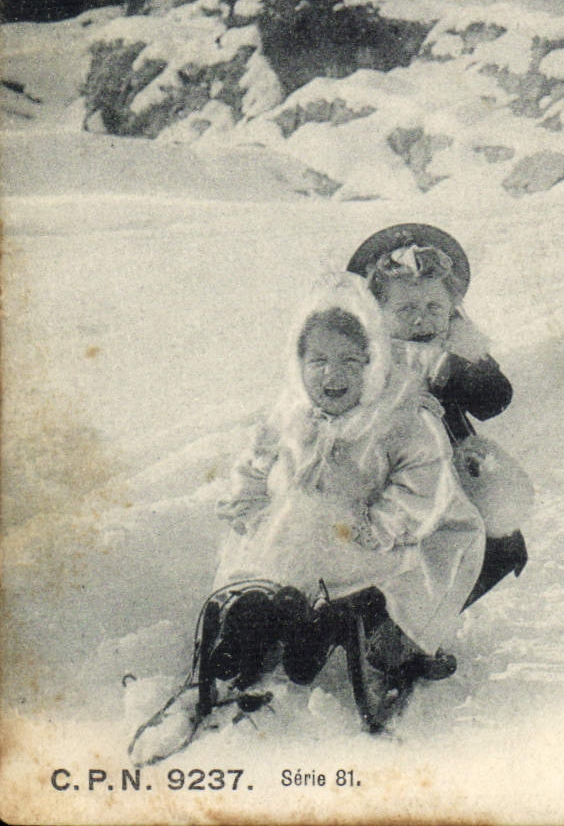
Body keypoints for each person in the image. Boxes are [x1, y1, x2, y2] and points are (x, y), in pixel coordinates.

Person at [129, 275, 489, 764]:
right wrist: (250, 506)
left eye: (348, 361)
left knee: (307, 522)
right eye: (317, 362)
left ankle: (298, 628)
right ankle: (243, 639)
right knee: (280, 528)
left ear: (374, 362)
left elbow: (421, 483)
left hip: (369, 546)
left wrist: (383, 522)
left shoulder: (401, 418)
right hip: (285, 545)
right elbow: (252, 467)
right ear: (299, 366)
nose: (331, 375)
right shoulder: (289, 416)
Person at [348, 223, 530, 609]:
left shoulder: (452, 351)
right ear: (377, 315)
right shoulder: (370, 358)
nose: (421, 321)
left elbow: (494, 400)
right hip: (392, 482)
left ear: (453, 312)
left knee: (504, 545)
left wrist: (466, 359)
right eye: (406, 310)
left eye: (434, 308)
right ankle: (387, 623)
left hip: (448, 477)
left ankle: (413, 633)